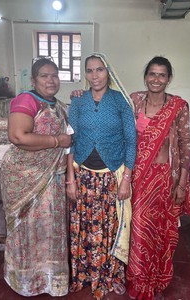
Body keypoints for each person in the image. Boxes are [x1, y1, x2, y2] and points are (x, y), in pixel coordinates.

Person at [66, 53, 137, 300]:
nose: (95, 75)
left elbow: (131, 141)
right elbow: (71, 142)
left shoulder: (120, 102)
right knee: (85, 228)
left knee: (109, 229)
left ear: (108, 72)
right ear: (85, 74)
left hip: (111, 177)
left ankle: (108, 276)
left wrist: (126, 178)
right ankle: (85, 274)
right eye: (90, 70)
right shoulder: (77, 102)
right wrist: (70, 179)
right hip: (83, 176)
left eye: (99, 70)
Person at [126, 56, 190, 300]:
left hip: (164, 178)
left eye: (161, 75)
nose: (156, 79)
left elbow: (186, 145)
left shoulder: (178, 106)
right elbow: (109, 101)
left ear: (168, 78)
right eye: (152, 74)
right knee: (138, 230)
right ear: (145, 76)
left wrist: (181, 183)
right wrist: (83, 93)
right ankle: (138, 279)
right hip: (137, 177)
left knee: (158, 230)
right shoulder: (134, 100)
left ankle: (156, 277)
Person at [0, 57, 72, 297]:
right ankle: (25, 280)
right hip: (24, 177)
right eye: (44, 75)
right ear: (33, 79)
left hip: (51, 178)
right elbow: (18, 136)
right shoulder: (26, 100)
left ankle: (51, 280)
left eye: (54, 75)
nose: (50, 80)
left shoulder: (59, 105)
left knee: (50, 227)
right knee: (27, 229)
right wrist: (55, 141)